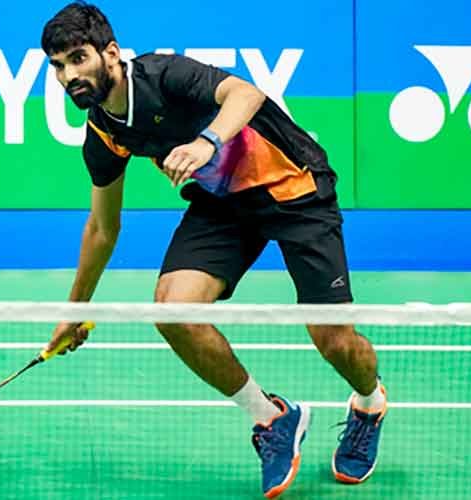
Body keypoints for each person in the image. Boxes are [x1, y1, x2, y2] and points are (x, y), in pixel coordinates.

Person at [40, 2, 387, 497]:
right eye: (58, 66)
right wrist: (74, 311)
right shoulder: (104, 132)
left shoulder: (163, 75)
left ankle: (370, 403)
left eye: (78, 59)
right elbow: (102, 228)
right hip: (225, 206)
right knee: (173, 310)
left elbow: (245, 93)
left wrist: (207, 142)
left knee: (334, 341)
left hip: (294, 189)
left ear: (110, 53)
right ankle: (272, 419)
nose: (69, 75)